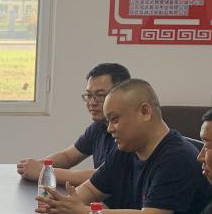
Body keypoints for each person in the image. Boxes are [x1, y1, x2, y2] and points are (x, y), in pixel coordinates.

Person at [38, 78, 212, 214]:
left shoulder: (177, 158)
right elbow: (91, 189)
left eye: (115, 120)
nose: (109, 129)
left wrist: (83, 213)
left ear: (145, 112)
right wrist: (64, 206)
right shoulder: (126, 150)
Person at [16, 62, 133, 192]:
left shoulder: (129, 133)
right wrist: (35, 166)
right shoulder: (98, 126)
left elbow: (104, 176)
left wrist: (43, 172)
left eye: (100, 95)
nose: (92, 102)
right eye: (89, 95)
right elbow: (68, 156)